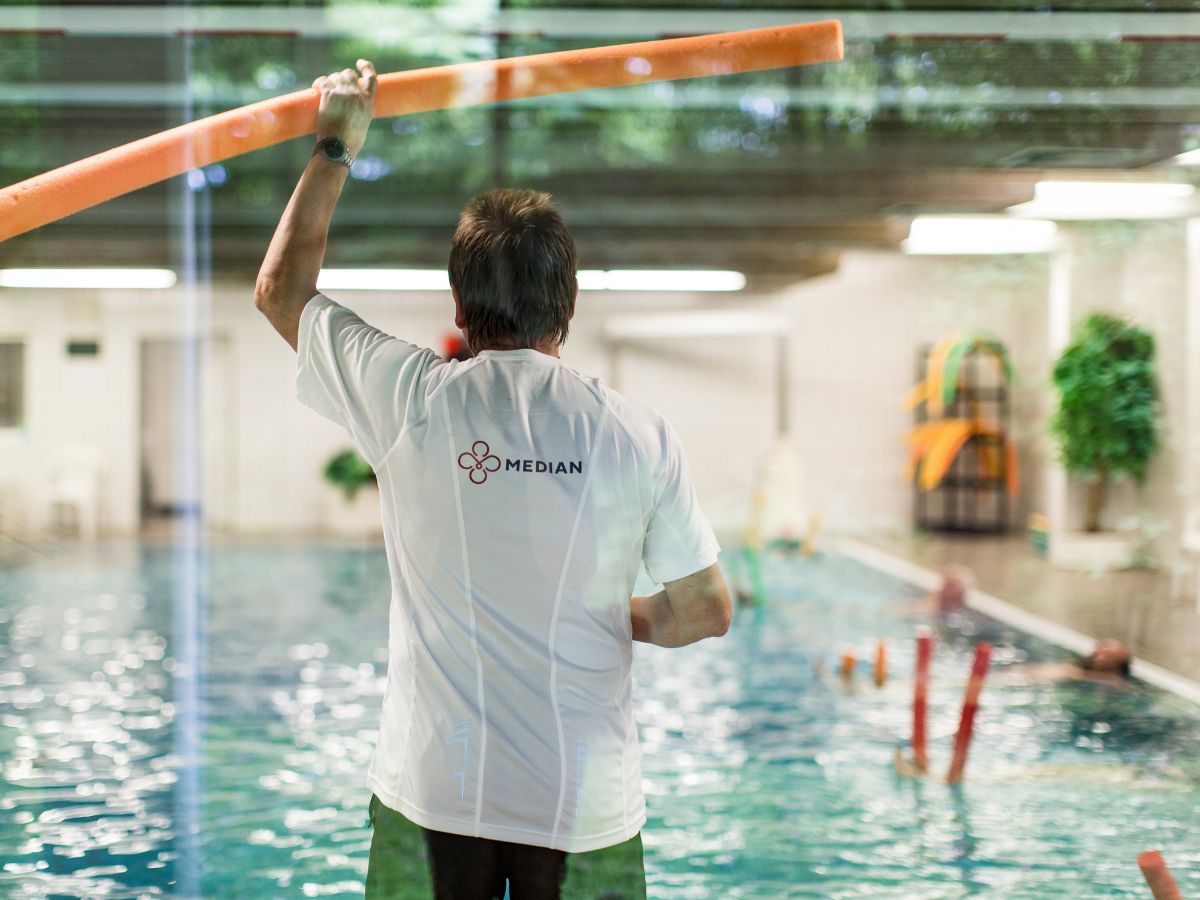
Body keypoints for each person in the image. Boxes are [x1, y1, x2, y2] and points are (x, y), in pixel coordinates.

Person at [254, 60, 733, 899]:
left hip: (434, 797)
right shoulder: (637, 434)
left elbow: (280, 290)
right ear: (569, 306)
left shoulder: (408, 398)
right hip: (586, 809)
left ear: (458, 305)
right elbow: (704, 611)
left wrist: (335, 146)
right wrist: (595, 614)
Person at [1007, 638, 1134, 685]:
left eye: (1107, 653)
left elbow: (1119, 683)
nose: (1099, 651)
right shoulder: (1076, 669)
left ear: (1116, 668)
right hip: (1017, 679)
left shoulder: (1112, 681)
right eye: (1101, 646)